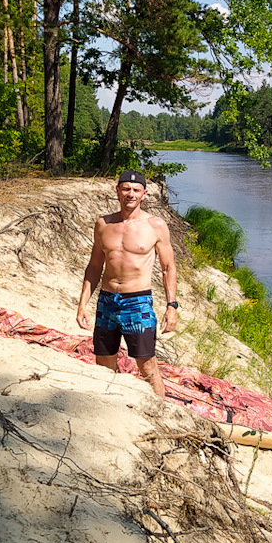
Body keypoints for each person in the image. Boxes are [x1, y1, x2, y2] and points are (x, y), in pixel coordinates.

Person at [76, 170, 178, 396]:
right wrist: (83, 304)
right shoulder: (103, 224)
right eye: (125, 189)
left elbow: (168, 267)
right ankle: (111, 405)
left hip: (137, 302)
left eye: (136, 190)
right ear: (117, 191)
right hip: (106, 301)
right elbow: (94, 266)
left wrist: (172, 306)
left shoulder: (155, 225)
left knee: (147, 364)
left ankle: (161, 411)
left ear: (144, 194)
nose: (130, 194)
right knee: (103, 361)